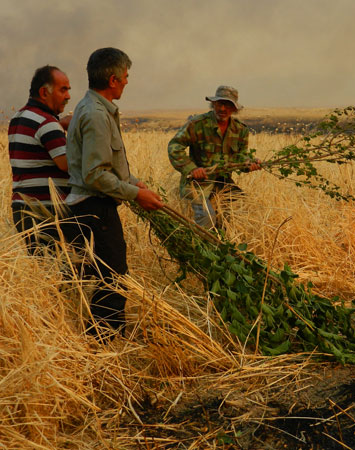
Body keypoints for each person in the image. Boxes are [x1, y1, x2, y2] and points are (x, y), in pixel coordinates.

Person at [66, 47, 163, 339]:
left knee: (110, 274)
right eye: (126, 76)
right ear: (113, 79)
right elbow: (94, 175)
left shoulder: (94, 108)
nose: (127, 82)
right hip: (95, 208)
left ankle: (109, 337)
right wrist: (135, 195)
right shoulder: (96, 114)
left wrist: (135, 184)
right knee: (112, 276)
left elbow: (106, 167)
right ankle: (104, 342)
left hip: (96, 206)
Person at [167, 85, 260, 227]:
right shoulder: (197, 124)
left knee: (230, 221)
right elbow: (175, 146)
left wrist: (250, 163)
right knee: (207, 218)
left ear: (234, 108)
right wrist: (192, 169)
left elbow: (240, 156)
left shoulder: (240, 129)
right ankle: (202, 247)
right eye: (220, 104)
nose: (223, 109)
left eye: (228, 105)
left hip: (223, 184)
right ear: (213, 104)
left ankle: (223, 247)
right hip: (198, 184)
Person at [8, 65, 72, 253]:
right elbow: (68, 164)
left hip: (23, 210)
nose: (68, 96)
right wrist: (78, 130)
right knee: (62, 274)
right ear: (44, 92)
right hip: (45, 212)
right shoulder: (47, 123)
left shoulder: (17, 118)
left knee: (45, 274)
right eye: (63, 90)